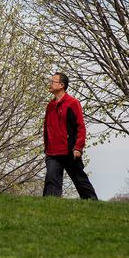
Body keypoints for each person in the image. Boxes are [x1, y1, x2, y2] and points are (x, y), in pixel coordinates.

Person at [42, 72, 98, 200]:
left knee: (79, 178)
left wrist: (78, 147)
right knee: (51, 178)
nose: (50, 84)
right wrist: (47, 148)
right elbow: (47, 128)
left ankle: (92, 202)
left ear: (61, 85)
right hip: (52, 152)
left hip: (70, 150)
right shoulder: (50, 106)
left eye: (53, 81)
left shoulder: (72, 103)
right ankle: (50, 205)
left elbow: (80, 127)